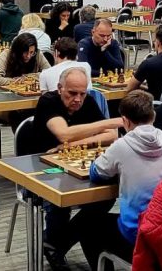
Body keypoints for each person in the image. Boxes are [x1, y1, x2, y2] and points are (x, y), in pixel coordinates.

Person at [80, 90, 162, 270]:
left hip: (138, 234)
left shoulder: (122, 146)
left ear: (125, 121)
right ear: (153, 116)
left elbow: (96, 173)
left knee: (87, 226)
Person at [33, 67, 122, 267]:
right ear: (59, 88)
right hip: (42, 170)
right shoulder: (48, 101)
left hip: (77, 167)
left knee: (105, 197)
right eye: (72, 93)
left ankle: (56, 243)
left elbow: (112, 135)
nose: (78, 99)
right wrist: (104, 124)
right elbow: (63, 133)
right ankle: (55, 243)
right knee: (60, 204)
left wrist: (72, 145)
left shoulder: (88, 101)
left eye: (82, 93)